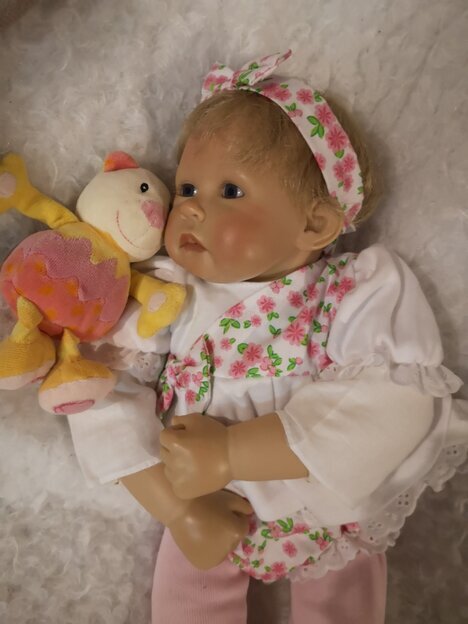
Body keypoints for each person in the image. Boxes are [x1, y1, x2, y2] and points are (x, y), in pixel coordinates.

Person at [67, 51, 468, 624]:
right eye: (187, 187)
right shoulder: (166, 293)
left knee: (343, 598)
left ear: (314, 224)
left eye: (230, 192)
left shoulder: (351, 290)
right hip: (202, 505)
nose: (192, 210)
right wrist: (176, 510)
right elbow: (101, 390)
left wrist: (232, 451)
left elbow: (390, 403)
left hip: (322, 500)